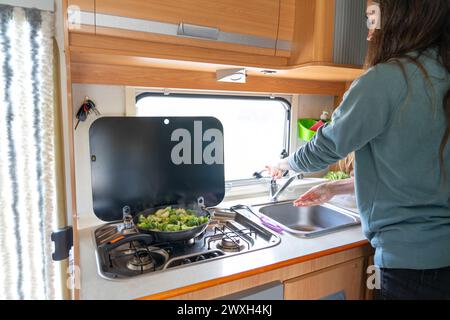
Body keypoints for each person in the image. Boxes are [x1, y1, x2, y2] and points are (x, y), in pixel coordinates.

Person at [267, 0, 450, 300]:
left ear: (399, 18)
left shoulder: (387, 79)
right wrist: (336, 187)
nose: (368, 34)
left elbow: (326, 147)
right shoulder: (440, 74)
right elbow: (420, 171)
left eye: (371, 19)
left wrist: (285, 163)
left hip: (408, 267)